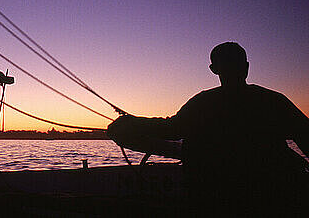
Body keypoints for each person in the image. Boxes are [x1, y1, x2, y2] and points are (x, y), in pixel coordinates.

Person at [106, 42, 308, 215]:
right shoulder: (274, 100)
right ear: (246, 67)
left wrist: (131, 122)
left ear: (214, 69)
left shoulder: (203, 102)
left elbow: (172, 128)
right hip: (271, 196)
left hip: (214, 198)